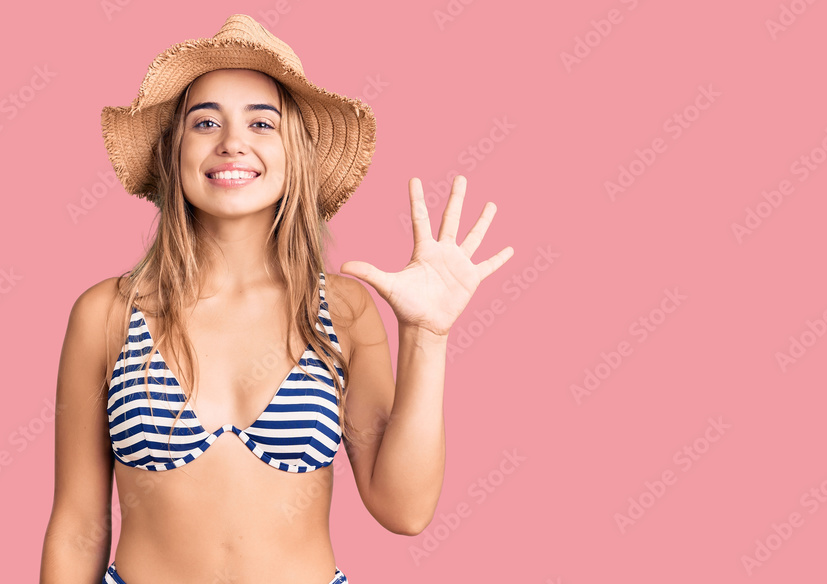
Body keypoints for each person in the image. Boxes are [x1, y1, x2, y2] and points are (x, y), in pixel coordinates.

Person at [39, 14, 513, 584]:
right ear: (174, 152)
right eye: (205, 122)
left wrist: (428, 336)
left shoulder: (345, 312)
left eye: (262, 123)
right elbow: (77, 526)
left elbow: (404, 509)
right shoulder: (108, 313)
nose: (232, 142)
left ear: (295, 154)